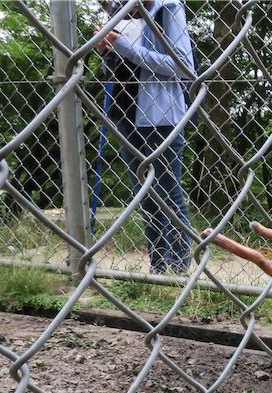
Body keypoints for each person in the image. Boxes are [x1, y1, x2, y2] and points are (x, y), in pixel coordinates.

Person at [97, 0, 195, 274]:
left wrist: (125, 47)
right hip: (125, 115)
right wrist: (106, 50)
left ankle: (178, 269)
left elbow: (183, 65)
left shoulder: (168, 9)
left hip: (159, 117)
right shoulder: (122, 12)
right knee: (144, 195)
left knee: (167, 192)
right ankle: (158, 268)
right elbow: (116, 69)